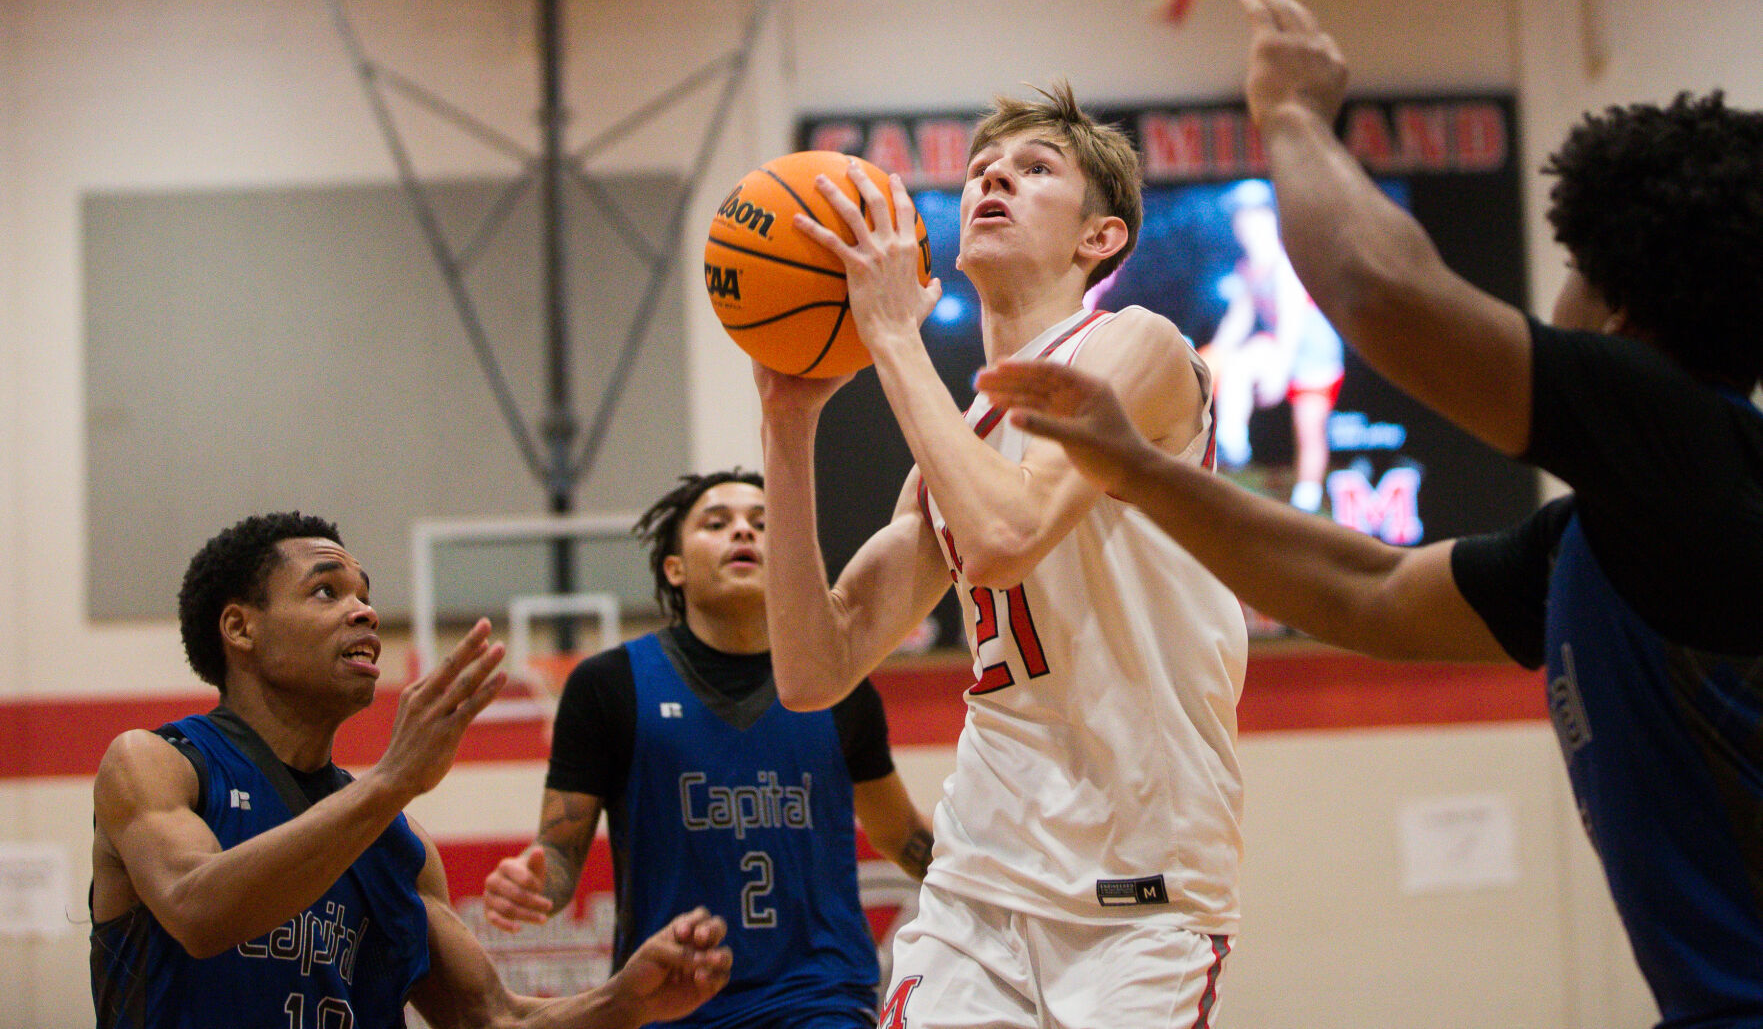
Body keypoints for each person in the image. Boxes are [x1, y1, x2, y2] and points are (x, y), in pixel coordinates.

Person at [976, 0, 1763, 1026]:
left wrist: (1292, 116)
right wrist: (1140, 467)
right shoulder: (1612, 532)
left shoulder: (1682, 445)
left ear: (1614, 306)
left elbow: (1379, 294)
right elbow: (1365, 585)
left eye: (1569, 266)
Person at [755, 84, 1248, 1027]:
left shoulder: (1139, 349)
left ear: (1098, 238)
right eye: (984, 169)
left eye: (1034, 170)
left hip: (1138, 891)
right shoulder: (954, 450)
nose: (995, 179)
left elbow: (1007, 537)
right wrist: (787, 423)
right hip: (978, 883)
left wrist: (891, 336)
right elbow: (815, 669)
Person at [91, 511, 732, 1029]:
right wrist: (392, 780)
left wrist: (624, 1002)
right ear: (240, 627)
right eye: (326, 591)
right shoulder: (157, 765)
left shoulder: (400, 846)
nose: (365, 612)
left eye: (366, 596)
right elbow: (197, 911)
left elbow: (489, 1019)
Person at [482, 471, 934, 1028]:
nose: (742, 532)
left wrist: (989, 875)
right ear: (675, 569)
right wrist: (532, 885)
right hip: (667, 1000)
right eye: (717, 523)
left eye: (763, 524)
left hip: (821, 999)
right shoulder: (609, 684)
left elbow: (898, 832)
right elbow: (559, 855)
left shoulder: (840, 685)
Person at [1202, 177, 1345, 511]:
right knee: (1238, 361)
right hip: (1278, 348)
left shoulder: (1286, 261)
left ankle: (1306, 500)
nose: (1249, 226)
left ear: (1271, 219)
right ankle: (1232, 441)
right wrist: (1209, 358)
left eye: (1257, 216)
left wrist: (1281, 371)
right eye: (1242, 218)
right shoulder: (1248, 269)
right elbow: (1238, 322)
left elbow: (1292, 322)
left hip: (1313, 356)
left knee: (1310, 428)